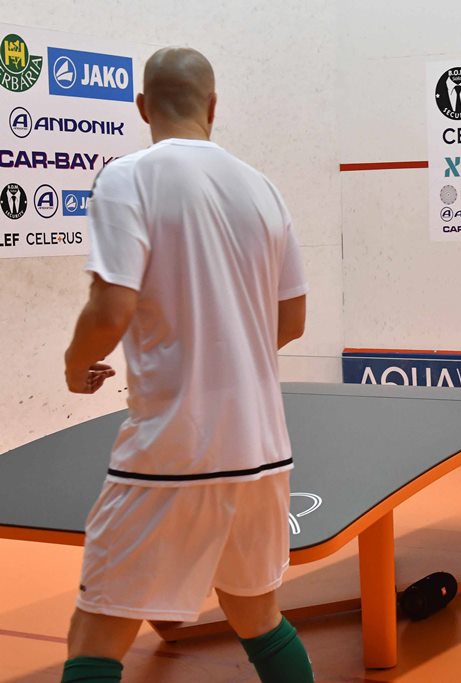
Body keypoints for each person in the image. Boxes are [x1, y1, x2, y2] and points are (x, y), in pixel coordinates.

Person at [61, 47, 313, 682]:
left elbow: (110, 308)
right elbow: (292, 321)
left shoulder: (127, 177)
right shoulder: (262, 189)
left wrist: (75, 364)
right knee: (259, 617)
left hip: (170, 453)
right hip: (261, 452)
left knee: (97, 631)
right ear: (213, 105)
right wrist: (226, 351)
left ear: (142, 106)